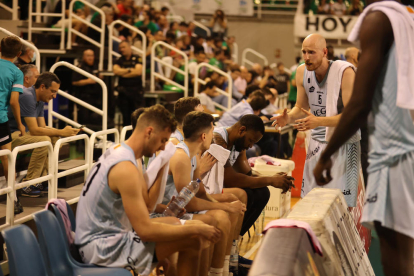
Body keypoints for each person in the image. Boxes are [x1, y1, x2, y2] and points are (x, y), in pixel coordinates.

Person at [314, 1, 414, 275]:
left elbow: (359, 102)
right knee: (405, 247)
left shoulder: (379, 18)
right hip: (406, 144)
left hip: (395, 150)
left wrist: (326, 154)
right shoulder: (407, 18)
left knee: (396, 250)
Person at [75, 105, 221, 276]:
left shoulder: (120, 152)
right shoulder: (125, 168)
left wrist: (163, 163)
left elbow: (148, 205)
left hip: (103, 238)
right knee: (194, 237)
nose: (163, 147)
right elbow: (144, 230)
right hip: (101, 248)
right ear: (149, 132)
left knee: (181, 228)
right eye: (163, 140)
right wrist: (194, 228)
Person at [272, 34, 360, 207]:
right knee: (312, 199)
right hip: (317, 139)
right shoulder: (301, 71)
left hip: (345, 141)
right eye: (304, 52)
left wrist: (319, 121)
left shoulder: (346, 72)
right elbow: (300, 107)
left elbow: (352, 117)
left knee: (341, 204)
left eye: (311, 52)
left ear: (325, 52)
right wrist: (288, 117)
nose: (306, 57)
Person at [165, 111, 246, 276]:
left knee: (220, 213)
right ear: (203, 136)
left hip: (179, 207)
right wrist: (227, 207)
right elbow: (188, 202)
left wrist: (224, 205)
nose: (213, 135)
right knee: (214, 220)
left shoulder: (193, 154)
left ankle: (218, 270)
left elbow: (200, 192)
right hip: (166, 211)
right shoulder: (181, 157)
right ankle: (215, 272)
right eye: (212, 132)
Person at [213, 115, 294, 246]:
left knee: (262, 193)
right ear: (241, 130)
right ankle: (227, 246)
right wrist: (270, 180)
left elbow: (247, 174)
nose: (251, 146)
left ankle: (234, 243)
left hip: (219, 186)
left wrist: (273, 178)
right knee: (246, 194)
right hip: (206, 189)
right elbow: (231, 179)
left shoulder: (239, 145)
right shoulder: (218, 140)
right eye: (251, 140)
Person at [8, 72, 80, 197]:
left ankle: (42, 179)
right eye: (53, 91)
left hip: (21, 133)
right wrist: (62, 132)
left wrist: (62, 132)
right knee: (43, 140)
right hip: (8, 135)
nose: (55, 96)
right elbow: (35, 130)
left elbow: (42, 127)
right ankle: (29, 184)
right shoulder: (27, 96)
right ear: (42, 87)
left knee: (53, 138)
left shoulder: (40, 100)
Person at [0, 36, 26, 188]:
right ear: (19, 53)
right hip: (1, 119)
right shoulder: (17, 73)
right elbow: (13, 101)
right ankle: (13, 199)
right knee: (7, 158)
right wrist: (20, 124)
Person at [113, 41, 144, 127]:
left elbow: (138, 71)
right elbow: (115, 71)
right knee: (126, 118)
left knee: (137, 117)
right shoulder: (119, 60)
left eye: (124, 47)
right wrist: (130, 70)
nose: (121, 49)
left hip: (136, 92)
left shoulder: (137, 58)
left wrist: (123, 72)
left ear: (129, 47)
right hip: (123, 93)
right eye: (120, 48)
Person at [72, 49, 103, 129]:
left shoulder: (96, 66)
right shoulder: (79, 67)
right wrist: (88, 81)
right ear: (83, 57)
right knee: (84, 121)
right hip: (84, 99)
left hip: (95, 99)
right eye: (88, 56)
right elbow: (74, 82)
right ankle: (82, 140)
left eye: (92, 55)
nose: (90, 58)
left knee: (96, 120)